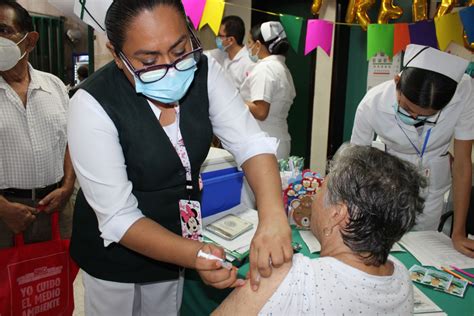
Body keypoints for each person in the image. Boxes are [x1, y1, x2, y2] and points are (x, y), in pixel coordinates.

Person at [67, 0, 292, 314]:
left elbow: (250, 143)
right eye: (149, 60)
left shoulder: (204, 70)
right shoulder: (92, 104)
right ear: (117, 56)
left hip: (177, 243)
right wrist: (196, 255)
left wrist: (272, 217)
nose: (170, 67)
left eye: (178, 49)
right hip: (114, 257)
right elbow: (118, 216)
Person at [214, 144, 426, 315]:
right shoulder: (400, 277)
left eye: (322, 186)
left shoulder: (291, 279)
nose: (314, 196)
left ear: (337, 214)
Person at [351, 44, 474, 258]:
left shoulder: (464, 93)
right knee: (388, 248)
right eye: (407, 108)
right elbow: (354, 167)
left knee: (426, 250)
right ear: (397, 82)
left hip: (435, 182)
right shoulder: (372, 104)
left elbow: (463, 164)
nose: (415, 119)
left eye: (427, 115)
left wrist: (459, 233)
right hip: (388, 181)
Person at [0, 0, 75, 248]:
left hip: (55, 207)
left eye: (3, 31)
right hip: (5, 214)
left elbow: (70, 142)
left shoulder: (54, 86)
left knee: (53, 280)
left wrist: (67, 187)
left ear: (30, 41)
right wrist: (3, 209)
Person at [240, 21, 296, 160]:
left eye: (249, 42)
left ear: (258, 45)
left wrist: (235, 99)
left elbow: (261, 111)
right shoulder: (282, 69)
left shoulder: (265, 69)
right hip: (278, 140)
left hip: (264, 142)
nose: (248, 47)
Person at [204, 15, 254, 91]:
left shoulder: (248, 63)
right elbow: (203, 55)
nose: (217, 38)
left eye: (220, 36)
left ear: (230, 40)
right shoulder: (222, 53)